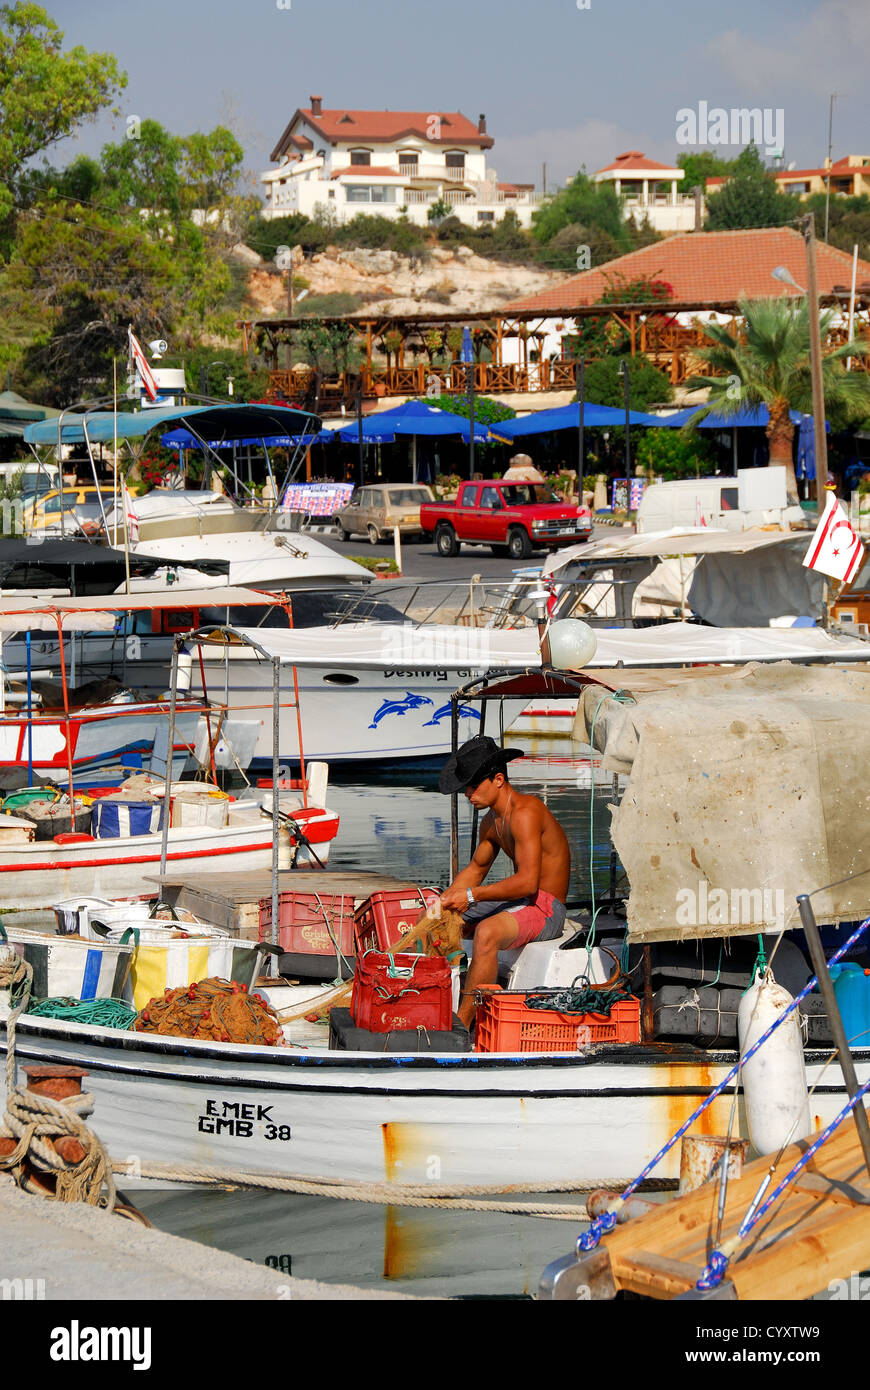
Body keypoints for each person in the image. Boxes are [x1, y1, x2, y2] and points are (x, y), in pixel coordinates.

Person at [436, 735, 570, 1028]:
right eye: (465, 788)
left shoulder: (525, 813)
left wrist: (470, 896)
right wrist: (446, 901)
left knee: (486, 932)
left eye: (472, 786)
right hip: (520, 902)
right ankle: (427, 1004)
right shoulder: (491, 822)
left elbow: (527, 884)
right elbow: (475, 868)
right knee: (437, 920)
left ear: (498, 779)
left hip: (546, 907)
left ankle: (462, 1025)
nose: (468, 793)